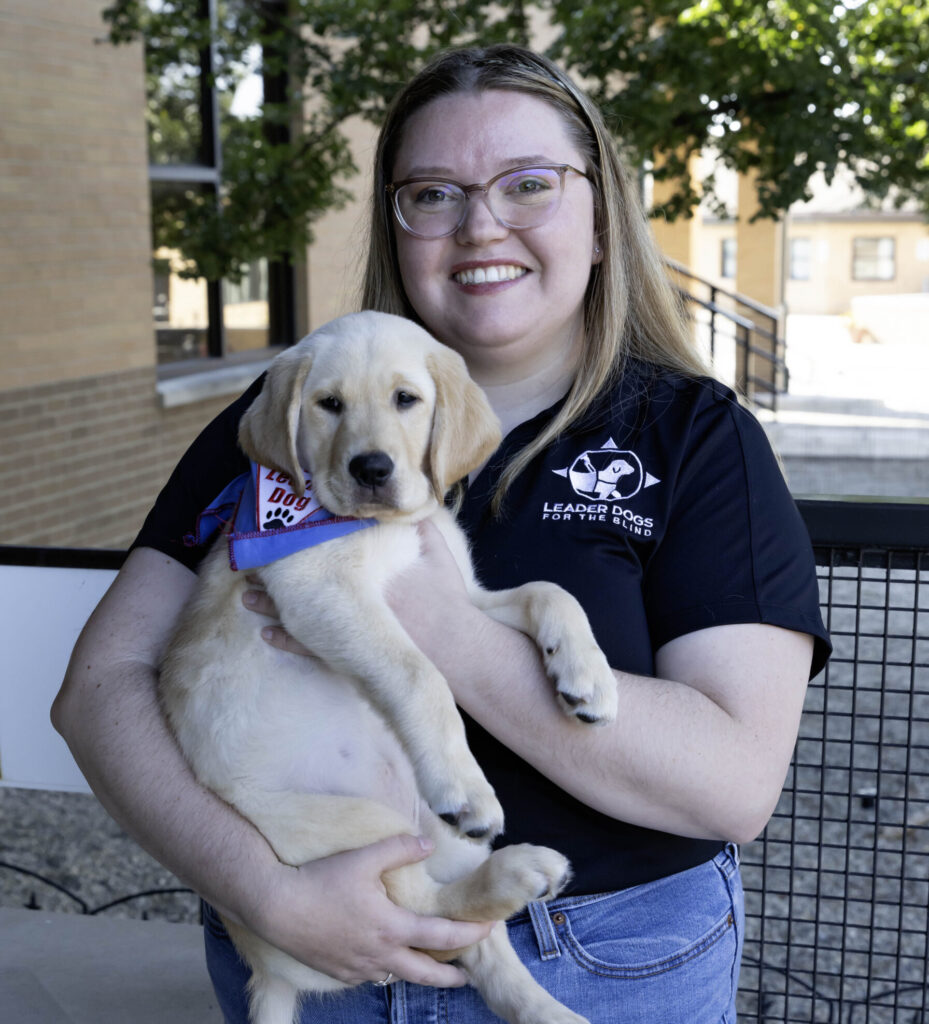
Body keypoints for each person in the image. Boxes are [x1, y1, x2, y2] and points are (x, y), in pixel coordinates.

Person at [53, 44, 830, 1024]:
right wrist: (260, 888)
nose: (479, 225)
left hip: (599, 958)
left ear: (601, 219)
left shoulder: (691, 437)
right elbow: (96, 690)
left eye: (527, 184)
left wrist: (426, 616)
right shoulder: (297, 404)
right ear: (397, 225)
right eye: (432, 193)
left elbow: (731, 788)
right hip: (305, 939)